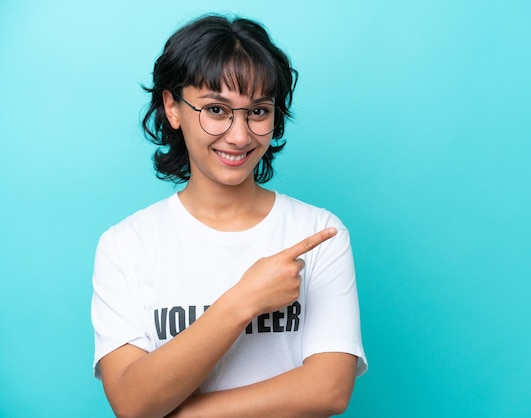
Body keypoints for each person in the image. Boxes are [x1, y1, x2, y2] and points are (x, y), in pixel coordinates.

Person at [91, 14, 367, 418]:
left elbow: (329, 389)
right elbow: (132, 402)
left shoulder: (318, 233)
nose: (239, 136)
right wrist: (243, 301)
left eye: (258, 112)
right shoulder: (125, 246)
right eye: (216, 110)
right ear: (172, 107)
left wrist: (179, 414)